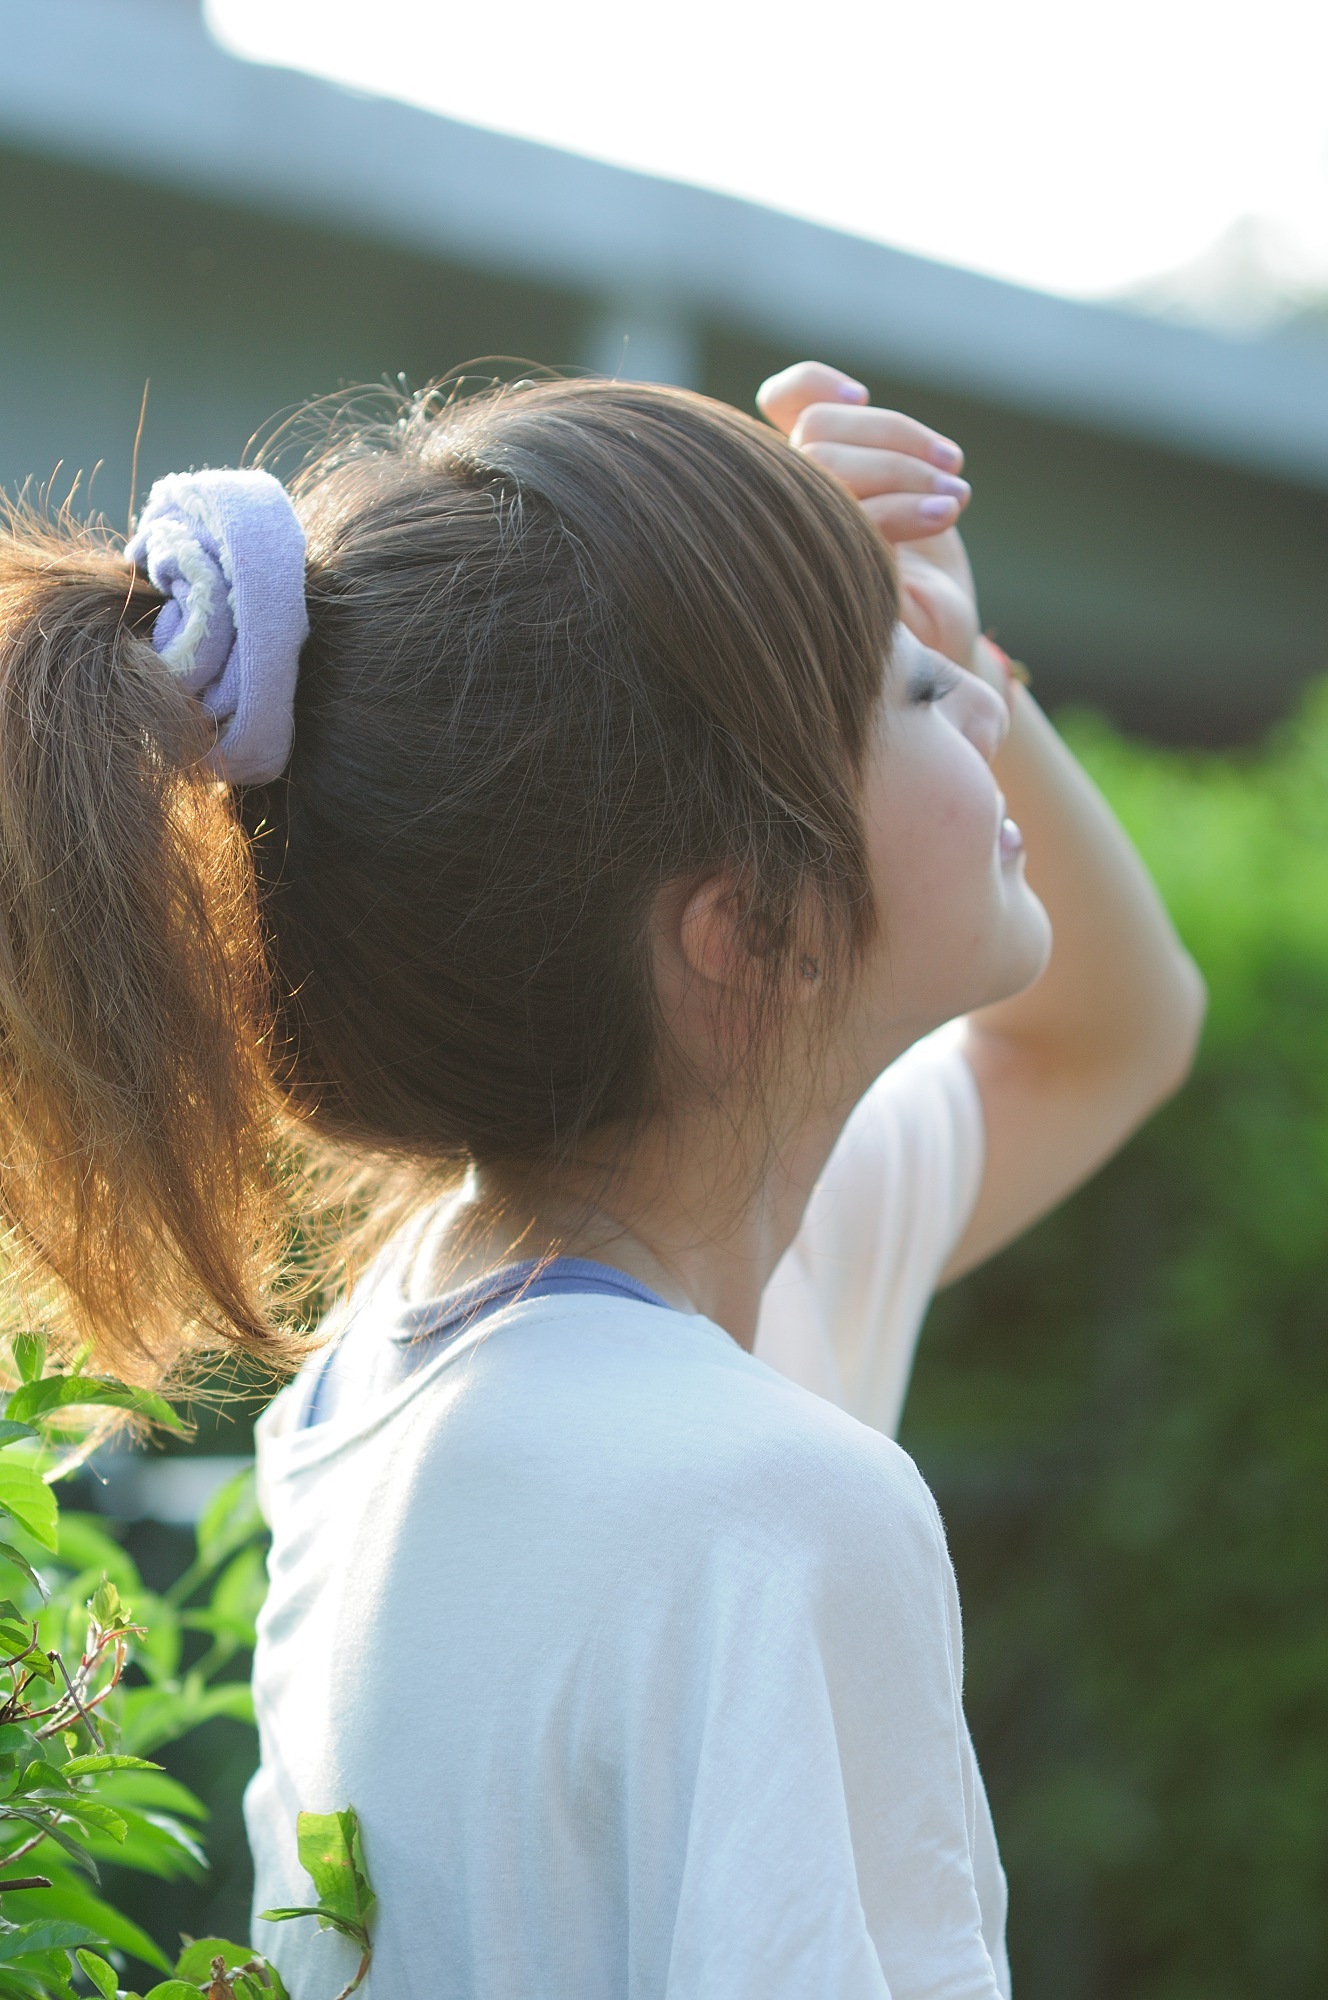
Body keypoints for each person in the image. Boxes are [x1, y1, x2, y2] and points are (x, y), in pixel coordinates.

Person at [0, 360, 1204, 1998]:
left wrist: (905, 624)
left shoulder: (419, 1361)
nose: (988, 705)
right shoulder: (767, 1509)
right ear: (744, 935)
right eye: (921, 695)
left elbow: (1119, 1030)